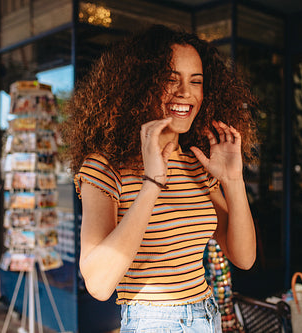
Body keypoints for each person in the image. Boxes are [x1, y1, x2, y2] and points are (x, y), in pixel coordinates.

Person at [60, 24, 258, 332]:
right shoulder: (105, 167)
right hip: (155, 322)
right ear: (140, 85)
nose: (185, 92)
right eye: (170, 79)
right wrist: (152, 183)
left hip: (207, 316)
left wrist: (234, 181)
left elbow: (243, 258)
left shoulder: (196, 163)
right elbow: (99, 285)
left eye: (196, 81)